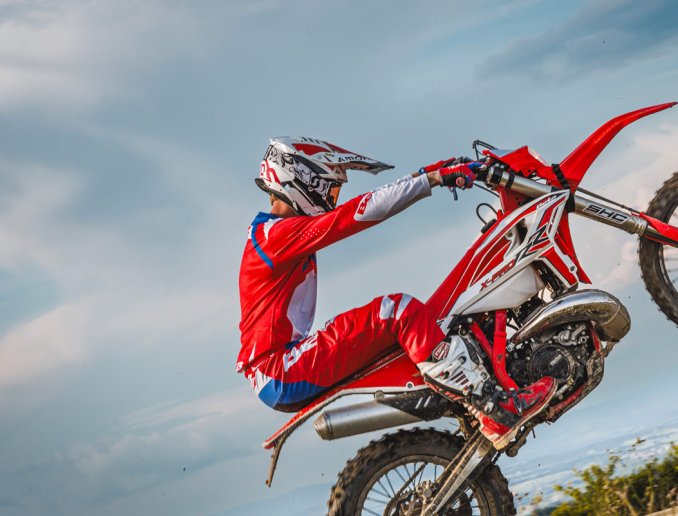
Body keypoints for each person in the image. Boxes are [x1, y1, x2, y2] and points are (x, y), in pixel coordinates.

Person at [238, 137, 555, 449]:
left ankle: (474, 387)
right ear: (303, 181)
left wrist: (430, 173)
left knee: (426, 324)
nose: (332, 199)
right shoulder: (273, 236)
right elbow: (353, 213)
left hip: (281, 368)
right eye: (329, 189)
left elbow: (358, 205)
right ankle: (493, 408)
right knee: (397, 311)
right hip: (280, 369)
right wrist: (432, 179)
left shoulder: (274, 234)